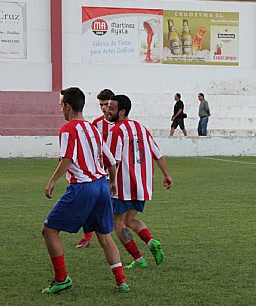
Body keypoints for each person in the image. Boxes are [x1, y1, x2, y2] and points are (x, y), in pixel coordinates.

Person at [41, 87, 129, 294]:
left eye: (61, 105)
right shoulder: (93, 129)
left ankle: (61, 279)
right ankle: (121, 282)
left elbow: (67, 159)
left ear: (67, 106)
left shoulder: (68, 129)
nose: (60, 109)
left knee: (49, 230)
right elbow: (110, 161)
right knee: (104, 236)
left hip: (83, 186)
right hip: (101, 185)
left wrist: (52, 181)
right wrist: (113, 182)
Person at [106, 94, 173, 269]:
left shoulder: (116, 131)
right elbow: (157, 154)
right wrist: (166, 175)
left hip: (122, 186)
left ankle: (138, 258)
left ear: (122, 111)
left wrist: (109, 181)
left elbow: (114, 161)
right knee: (130, 219)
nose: (107, 111)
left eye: (111, 108)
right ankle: (151, 241)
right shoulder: (142, 128)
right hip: (142, 186)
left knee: (118, 222)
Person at [76, 88, 115, 249]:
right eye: (101, 105)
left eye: (107, 104)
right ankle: (88, 236)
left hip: (119, 171)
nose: (104, 108)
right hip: (99, 173)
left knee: (117, 210)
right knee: (93, 204)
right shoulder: (96, 124)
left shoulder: (123, 123)